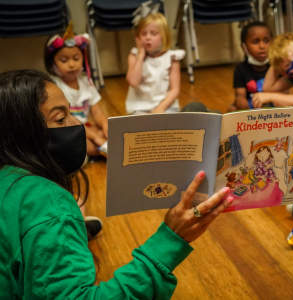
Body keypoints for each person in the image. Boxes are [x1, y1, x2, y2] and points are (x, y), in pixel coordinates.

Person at [0, 69, 234, 298]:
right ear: (23, 133)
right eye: (61, 118)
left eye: (71, 113)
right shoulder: (49, 207)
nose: (76, 123)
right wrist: (170, 240)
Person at [44, 25, 108, 157]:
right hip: (67, 128)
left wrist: (105, 125)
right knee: (89, 147)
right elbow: (68, 120)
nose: (72, 64)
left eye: (76, 58)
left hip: (85, 126)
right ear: (52, 63)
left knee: (104, 134)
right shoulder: (55, 86)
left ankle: (98, 148)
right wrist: (95, 137)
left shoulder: (86, 82)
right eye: (64, 60)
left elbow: (96, 110)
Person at [126, 12, 184, 114]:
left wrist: (160, 108)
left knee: (171, 125)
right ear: (138, 38)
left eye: (153, 33)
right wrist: (140, 57)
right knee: (140, 127)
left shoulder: (172, 58)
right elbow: (133, 82)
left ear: (164, 37)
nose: (148, 37)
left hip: (165, 105)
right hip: (139, 106)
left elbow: (175, 90)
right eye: (144, 34)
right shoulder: (134, 56)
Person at [228, 21, 273, 111]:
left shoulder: (276, 66)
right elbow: (240, 96)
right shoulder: (240, 69)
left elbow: (284, 93)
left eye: (266, 41)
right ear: (244, 47)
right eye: (256, 42)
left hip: (273, 106)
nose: (262, 46)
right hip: (251, 109)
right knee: (232, 109)